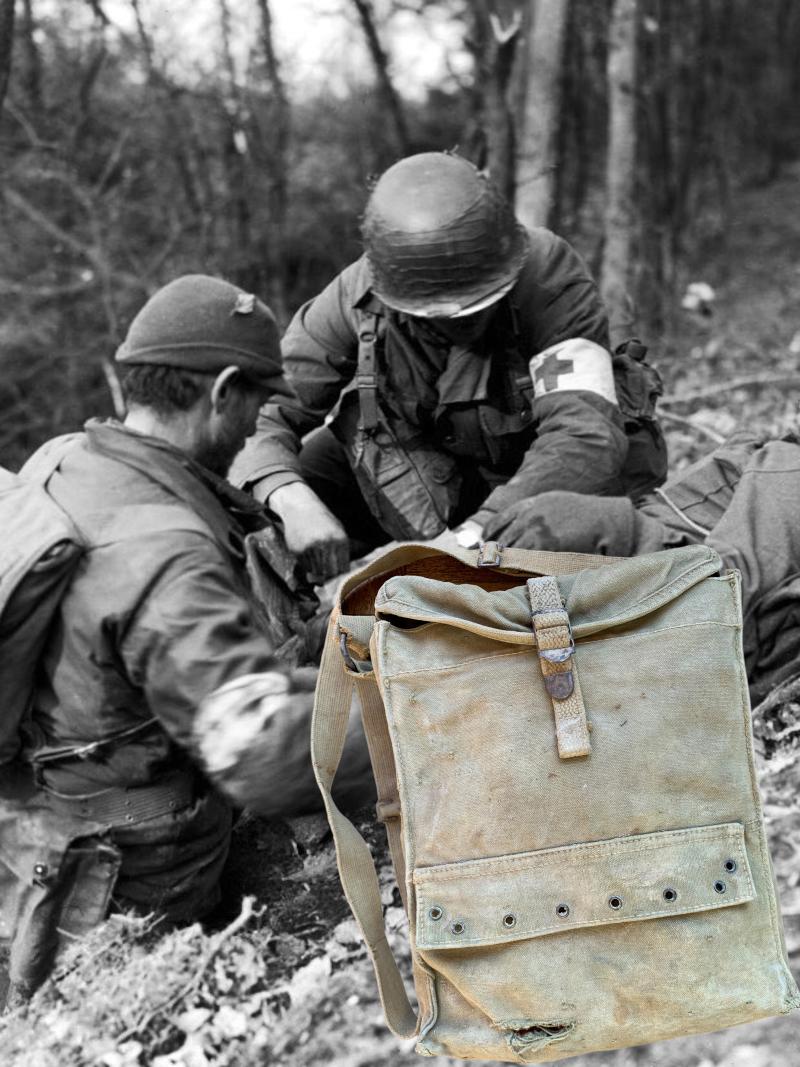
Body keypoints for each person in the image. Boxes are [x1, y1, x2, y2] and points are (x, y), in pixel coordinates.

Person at [2, 275, 371, 1003]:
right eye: (257, 404)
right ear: (223, 392)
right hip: (133, 874)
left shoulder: (69, 458)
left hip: (36, 819)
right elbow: (265, 757)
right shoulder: (166, 555)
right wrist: (426, 724)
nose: (256, 426)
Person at [231, 151, 666, 583]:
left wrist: (475, 537)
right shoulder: (356, 297)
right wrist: (289, 497)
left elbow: (582, 435)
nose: (463, 322)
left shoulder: (547, 278)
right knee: (259, 515)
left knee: (599, 570)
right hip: (420, 471)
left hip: (541, 486)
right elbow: (263, 407)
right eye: (437, 316)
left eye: (479, 304)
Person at [483, 427, 800, 705]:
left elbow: (729, 592)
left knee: (550, 522)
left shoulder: (788, 468)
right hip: (643, 581)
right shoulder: (774, 463)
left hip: (664, 593)